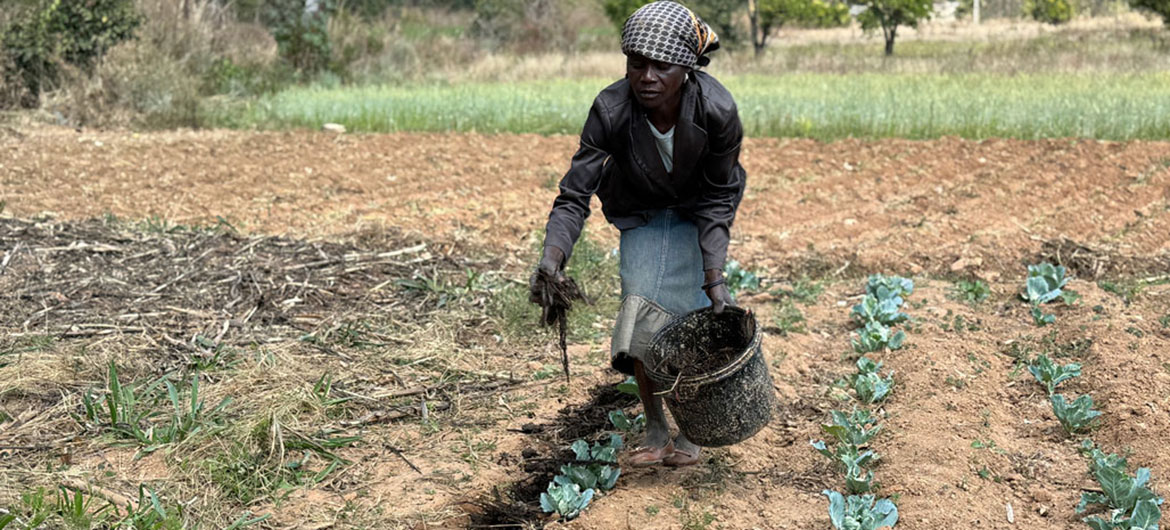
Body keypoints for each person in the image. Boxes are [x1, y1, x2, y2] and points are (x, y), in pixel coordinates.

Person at [530, 1, 746, 468]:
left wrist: (715, 276)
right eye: (636, 64)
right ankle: (655, 426)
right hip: (641, 210)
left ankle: (692, 428)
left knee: (692, 315)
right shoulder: (610, 109)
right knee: (640, 304)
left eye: (661, 66)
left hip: (698, 210)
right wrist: (553, 258)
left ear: (686, 68)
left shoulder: (717, 110)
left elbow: (716, 198)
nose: (647, 76)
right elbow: (574, 194)